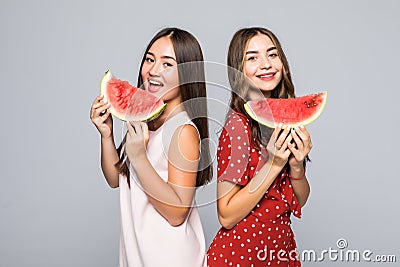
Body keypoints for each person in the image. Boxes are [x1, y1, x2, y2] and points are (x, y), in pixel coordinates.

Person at [90, 27, 212, 267]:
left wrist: (140, 158)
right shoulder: (146, 119)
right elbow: (116, 178)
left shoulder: (182, 131)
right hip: (140, 253)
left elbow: (177, 214)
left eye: (168, 64)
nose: (154, 70)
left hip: (170, 257)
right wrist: (107, 135)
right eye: (150, 59)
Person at [207, 27, 312, 267]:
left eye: (272, 55)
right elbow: (226, 214)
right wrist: (274, 164)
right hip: (241, 256)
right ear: (239, 71)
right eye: (252, 58)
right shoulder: (237, 125)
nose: (266, 64)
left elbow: (299, 199)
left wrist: (296, 167)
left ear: (282, 63)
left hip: (280, 252)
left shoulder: (284, 121)